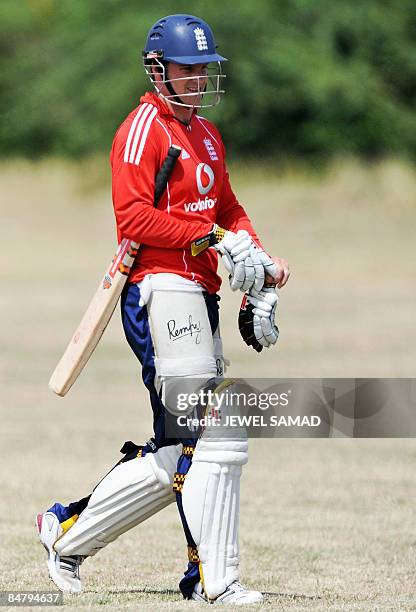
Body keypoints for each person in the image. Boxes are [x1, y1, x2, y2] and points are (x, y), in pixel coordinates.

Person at [36, 14, 290, 605]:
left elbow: (228, 207)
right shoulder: (141, 129)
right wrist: (211, 238)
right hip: (157, 287)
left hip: (199, 291)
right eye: (188, 69)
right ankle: (213, 580)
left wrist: (259, 264)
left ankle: (67, 531)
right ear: (158, 70)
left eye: (205, 69)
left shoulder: (206, 134)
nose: (199, 79)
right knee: (213, 431)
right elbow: (135, 221)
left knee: (182, 449)